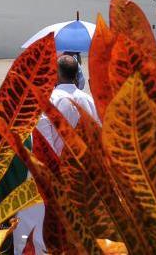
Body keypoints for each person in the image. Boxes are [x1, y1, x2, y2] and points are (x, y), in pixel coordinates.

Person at [14, 55, 97, 253]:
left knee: (37, 226)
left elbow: (43, 139)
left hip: (50, 172)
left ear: (55, 75)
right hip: (82, 175)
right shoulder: (89, 101)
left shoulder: (49, 100)